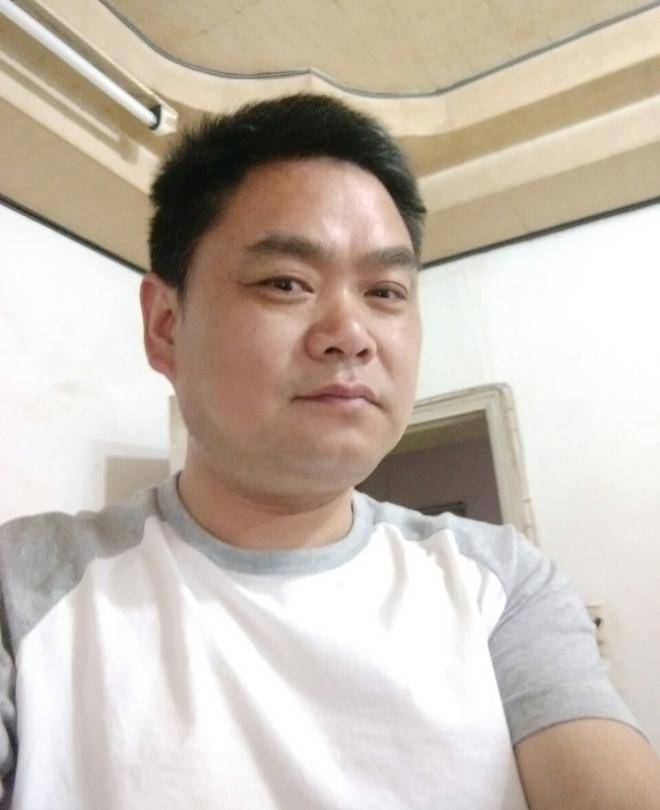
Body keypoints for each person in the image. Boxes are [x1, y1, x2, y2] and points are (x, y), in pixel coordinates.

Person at [1, 94, 659, 810]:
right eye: (286, 283)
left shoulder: (500, 584)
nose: (351, 333)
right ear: (165, 326)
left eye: (386, 291)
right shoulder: (25, 585)